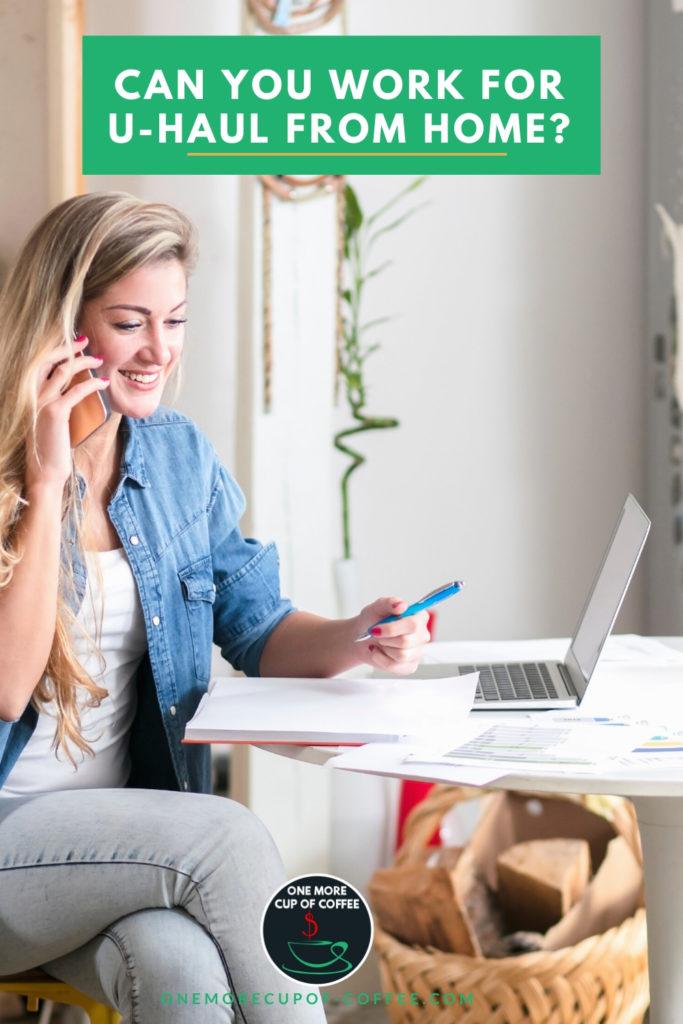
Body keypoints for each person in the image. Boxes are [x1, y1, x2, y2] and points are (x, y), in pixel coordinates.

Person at [0, 192, 430, 1024]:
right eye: (129, 322)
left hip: (118, 853)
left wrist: (357, 635)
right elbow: (8, 689)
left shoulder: (178, 460)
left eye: (175, 320)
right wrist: (49, 482)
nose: (157, 349)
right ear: (64, 326)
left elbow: (258, 628)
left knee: (178, 968)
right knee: (225, 835)